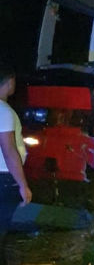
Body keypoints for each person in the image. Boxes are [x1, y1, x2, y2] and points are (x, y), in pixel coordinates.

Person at [0, 63, 31, 265]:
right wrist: (22, 185)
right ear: (9, 82)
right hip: (4, 178)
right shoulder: (3, 111)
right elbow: (9, 149)